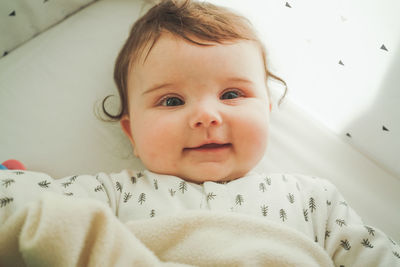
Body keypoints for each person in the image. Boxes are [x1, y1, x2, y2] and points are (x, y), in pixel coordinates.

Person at [0, 0, 399, 266]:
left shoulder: (314, 199)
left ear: (268, 109)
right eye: (172, 101)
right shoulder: (114, 192)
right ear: (132, 133)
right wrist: (14, 181)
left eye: (231, 94)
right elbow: (29, 208)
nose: (207, 115)